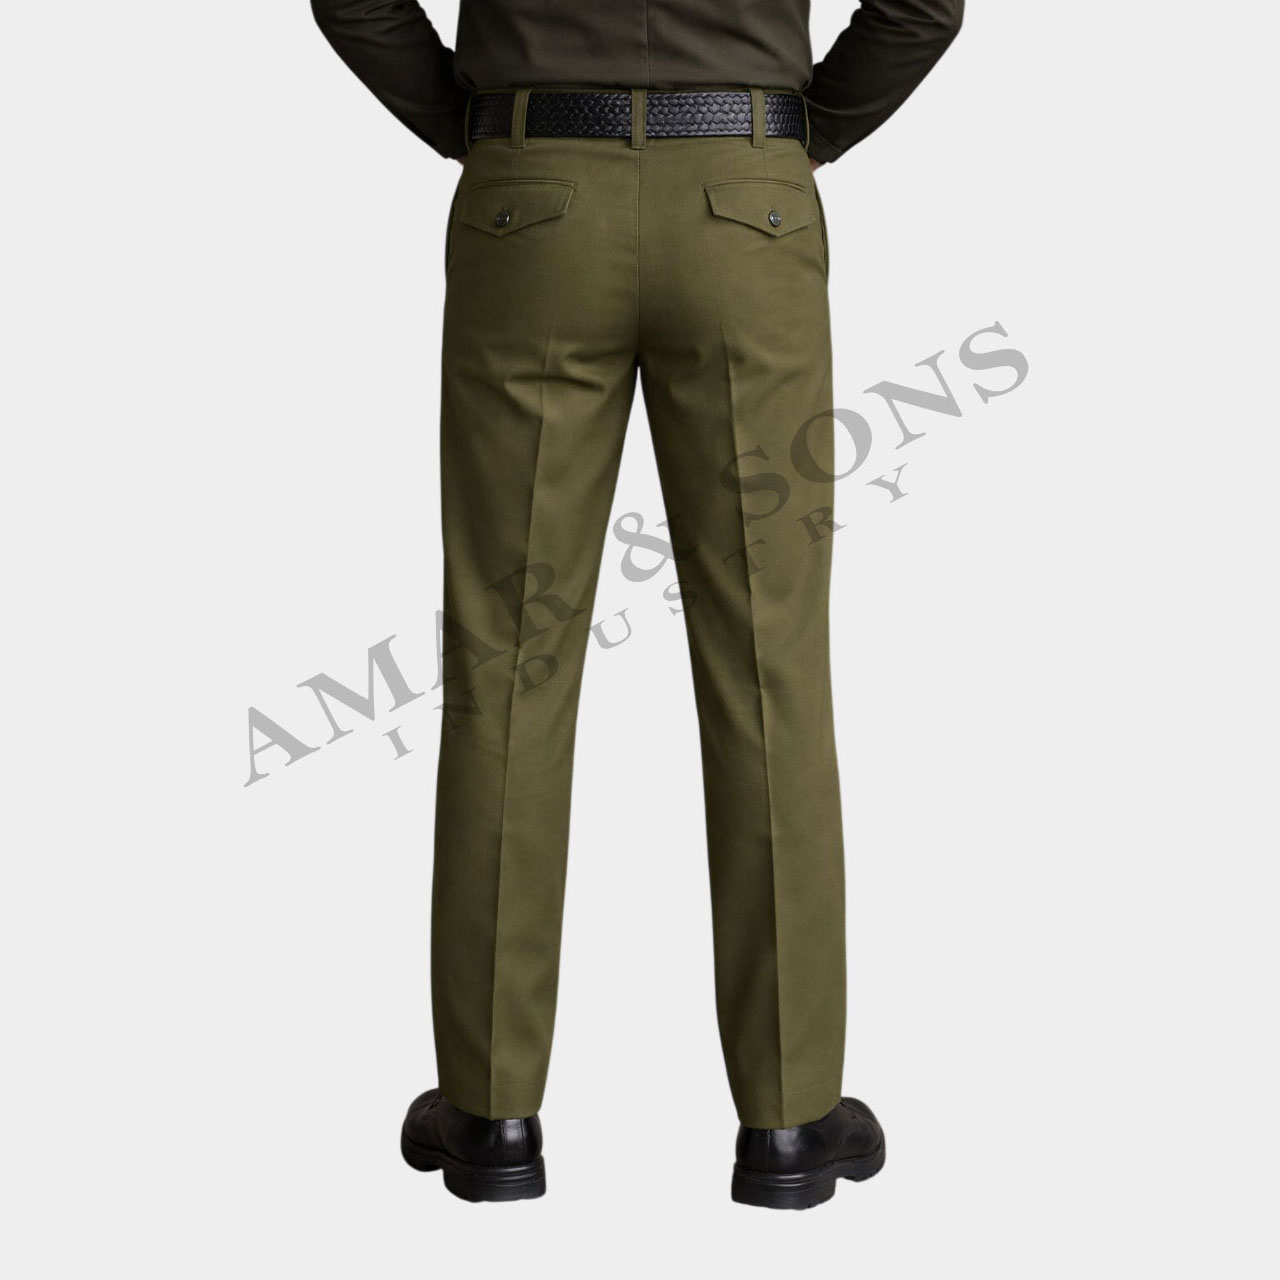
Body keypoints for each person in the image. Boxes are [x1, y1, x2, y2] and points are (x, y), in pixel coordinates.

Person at [310, 0, 963, 1210]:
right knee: (769, 665)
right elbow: (925, 5)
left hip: (530, 200)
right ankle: (789, 1119)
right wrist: (802, 130)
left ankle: (491, 1114)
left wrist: (470, 120)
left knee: (507, 657)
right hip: (748, 201)